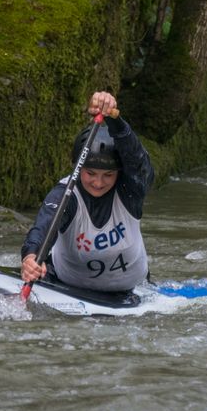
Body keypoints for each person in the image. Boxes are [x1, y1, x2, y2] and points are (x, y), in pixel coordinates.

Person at [20, 91, 154, 292]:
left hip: (133, 289)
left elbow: (138, 161)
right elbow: (44, 227)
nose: (98, 183)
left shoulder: (129, 190)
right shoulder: (65, 194)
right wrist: (30, 257)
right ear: (78, 167)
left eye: (108, 175)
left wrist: (115, 121)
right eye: (90, 173)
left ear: (118, 173)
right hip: (67, 285)